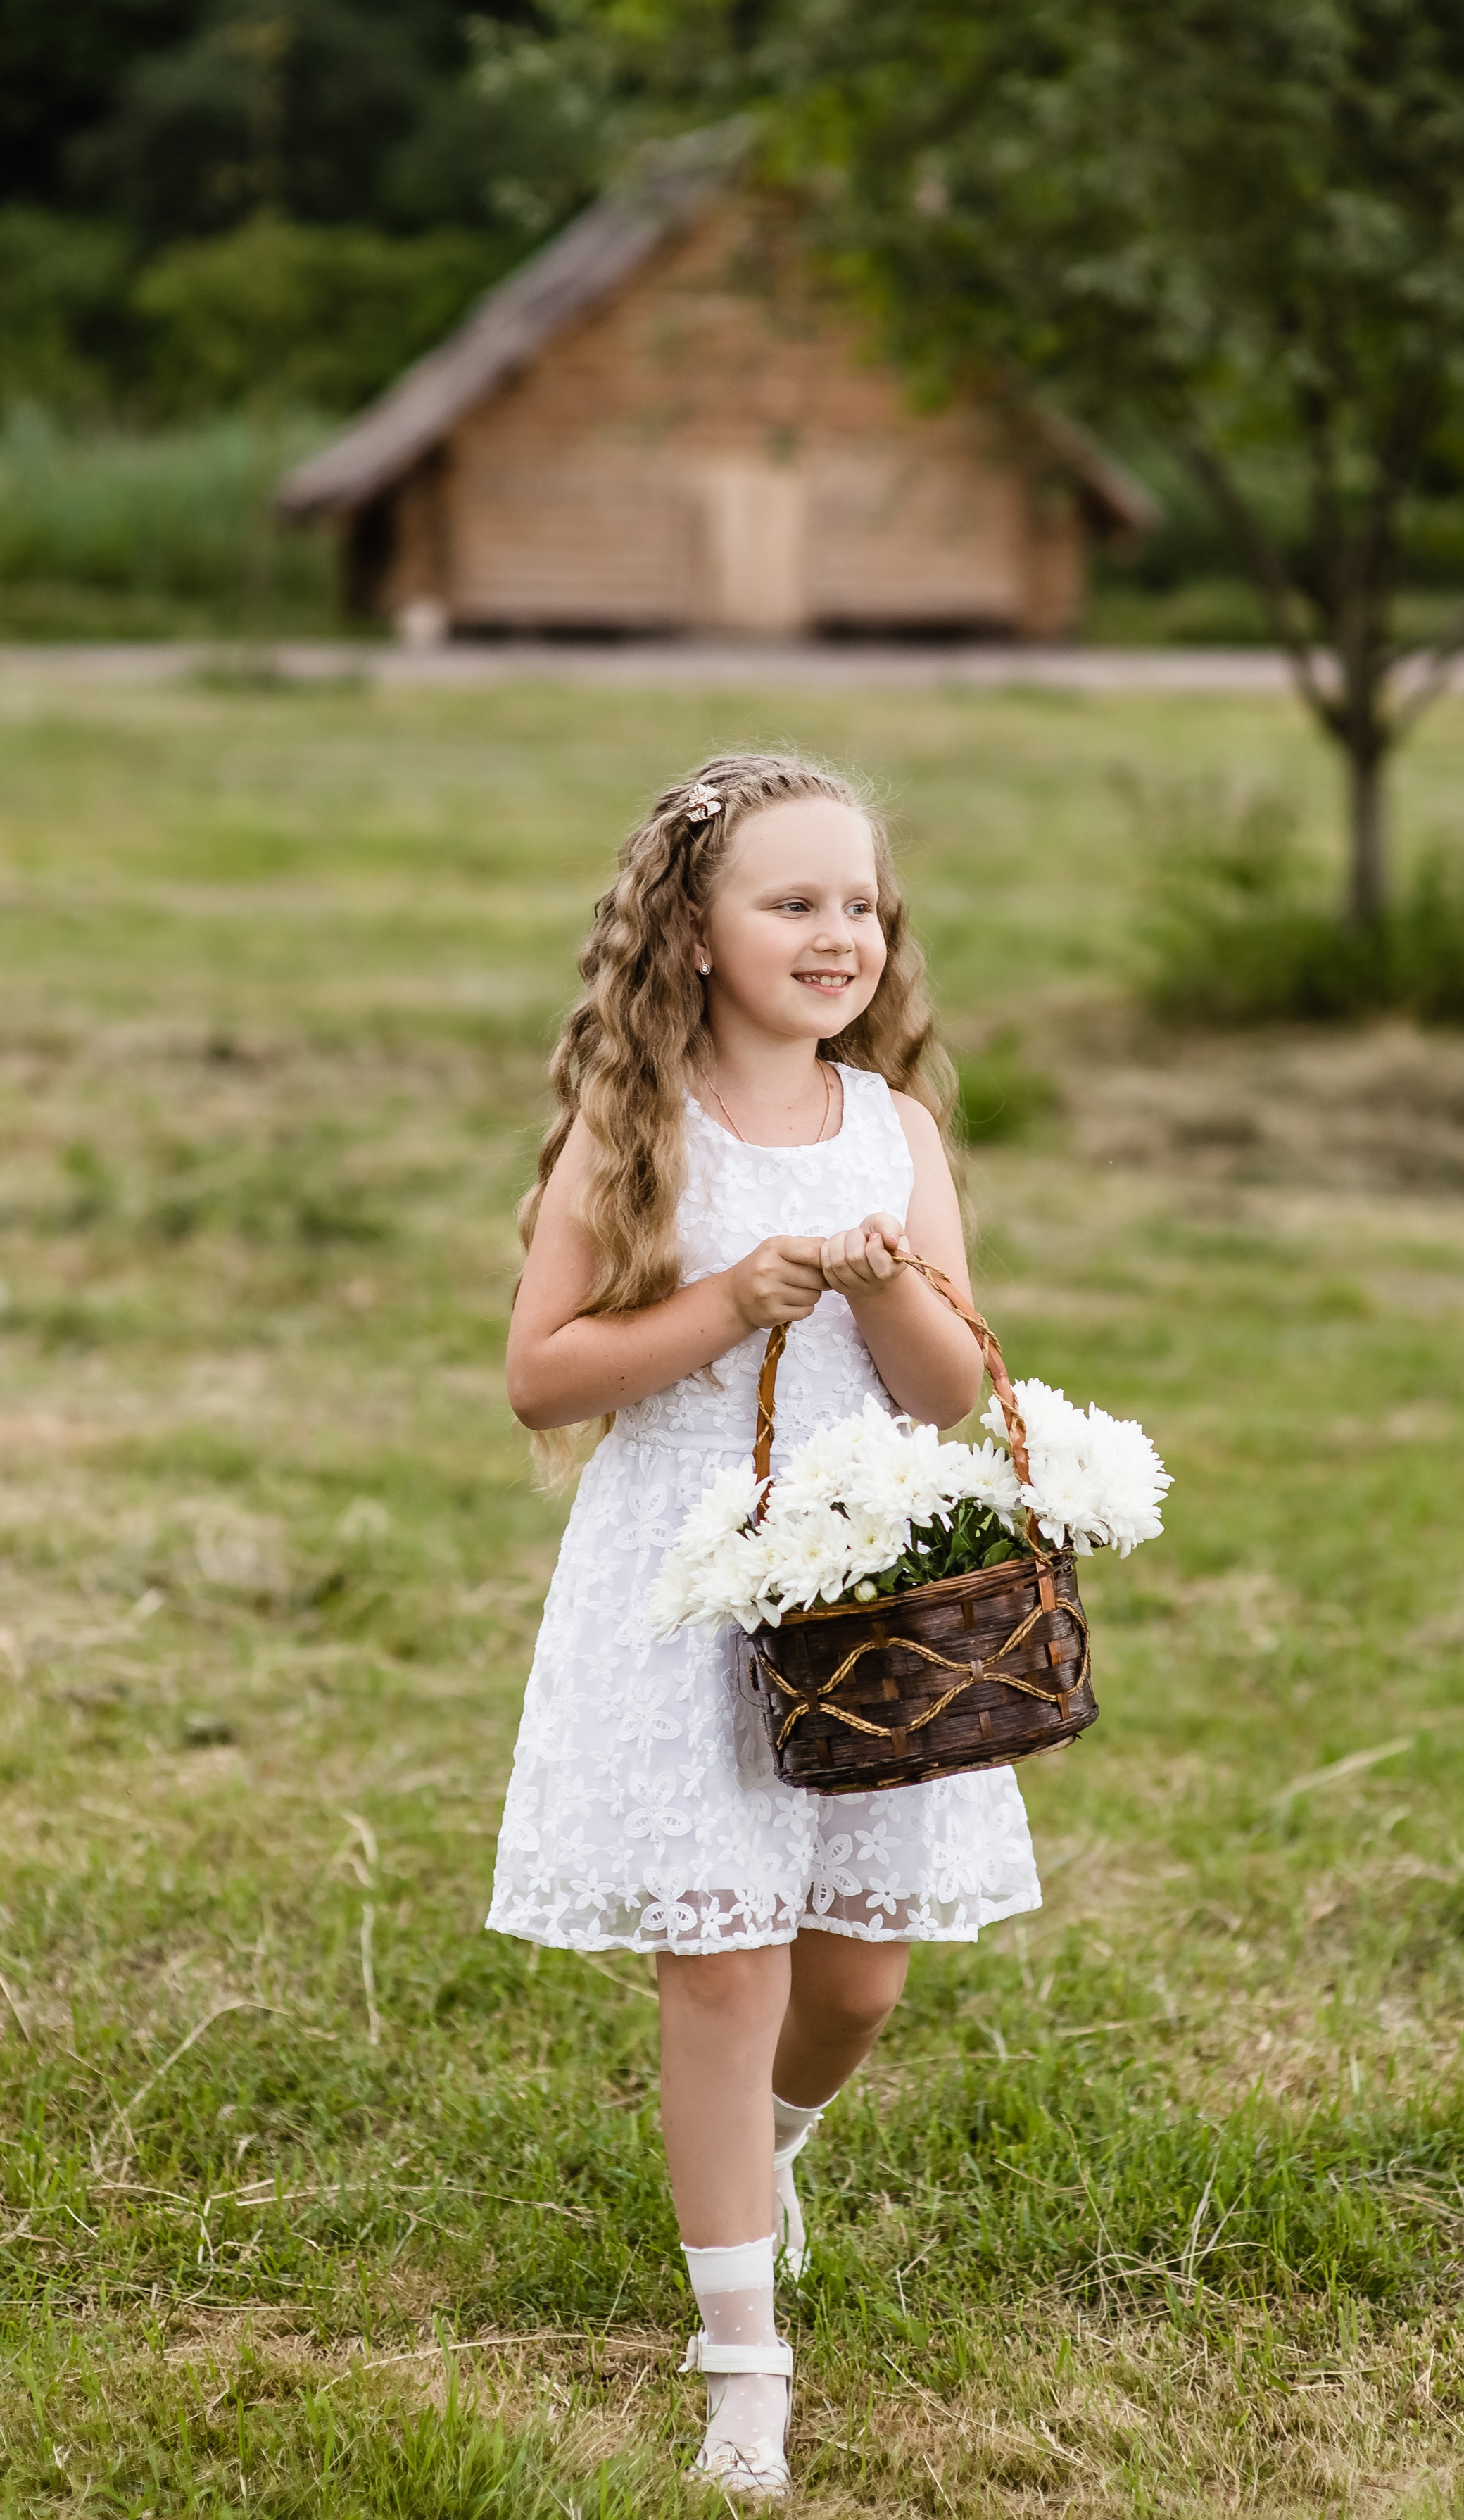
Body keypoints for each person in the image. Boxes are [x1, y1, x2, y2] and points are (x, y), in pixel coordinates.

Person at [488, 753, 1041, 2498]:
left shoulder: (896, 1131)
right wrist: (730, 1295)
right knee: (721, 1967)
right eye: (790, 903)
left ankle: (771, 2150)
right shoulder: (635, 1126)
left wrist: (885, 1282)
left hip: (863, 1589)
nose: (837, 936)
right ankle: (742, 2364)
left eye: (860, 905)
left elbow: (952, 1387)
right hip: (682, 1570)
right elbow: (539, 1377)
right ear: (693, 930)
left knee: (855, 1981)